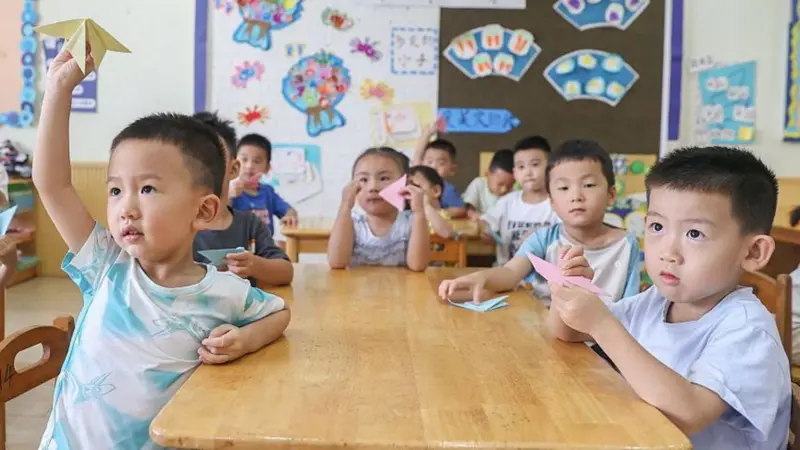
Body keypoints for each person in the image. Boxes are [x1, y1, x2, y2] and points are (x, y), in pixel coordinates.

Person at [33, 46, 290, 448]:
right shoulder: (107, 266)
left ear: (204, 210)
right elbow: (52, 184)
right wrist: (58, 90)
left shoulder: (223, 291)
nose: (126, 208)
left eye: (148, 189)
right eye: (116, 190)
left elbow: (279, 314)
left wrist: (246, 340)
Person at [549, 146, 790, 449]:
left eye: (694, 234)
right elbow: (569, 332)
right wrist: (568, 289)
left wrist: (601, 324)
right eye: (657, 227)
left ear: (753, 252)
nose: (668, 252)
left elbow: (689, 414)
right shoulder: (656, 302)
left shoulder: (748, 330)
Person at [440, 139, 640, 306]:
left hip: (604, 335)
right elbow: (511, 272)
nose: (576, 196)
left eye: (588, 185)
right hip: (547, 328)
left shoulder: (626, 244)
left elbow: (631, 306)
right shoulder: (544, 238)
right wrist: (481, 277)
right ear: (552, 202)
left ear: (611, 195)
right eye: (563, 188)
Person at [192, 112, 293, 287]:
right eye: (191, 159)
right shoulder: (175, 226)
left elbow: (286, 272)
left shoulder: (250, 224)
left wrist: (254, 265)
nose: (201, 168)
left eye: (211, 159)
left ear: (233, 169)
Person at [328, 147, 428, 270]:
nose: (373, 187)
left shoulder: (411, 221)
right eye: (364, 179)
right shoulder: (352, 222)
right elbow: (337, 262)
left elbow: (418, 265)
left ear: (406, 184)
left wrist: (419, 212)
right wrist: (345, 206)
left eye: (384, 178)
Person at [481, 136, 559, 266]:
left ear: (550, 168)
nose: (528, 172)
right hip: (506, 272)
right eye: (521, 167)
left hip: (545, 276)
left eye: (535, 164)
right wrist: (484, 230)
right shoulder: (506, 202)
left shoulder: (558, 204)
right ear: (515, 173)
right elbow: (485, 221)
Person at [230, 133, 298, 235]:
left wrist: (290, 216)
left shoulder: (267, 192)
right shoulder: (230, 191)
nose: (249, 166)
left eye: (257, 161)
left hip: (265, 244)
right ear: (234, 164)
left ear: (267, 168)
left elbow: (289, 210)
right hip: (237, 244)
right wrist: (229, 195)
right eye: (244, 160)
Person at [411, 124, 466, 218]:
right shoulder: (417, 181)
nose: (434, 167)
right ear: (422, 163)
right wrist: (426, 135)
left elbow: (460, 209)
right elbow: (417, 157)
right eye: (429, 162)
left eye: (441, 163)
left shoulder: (448, 190)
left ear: (452, 169)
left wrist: (440, 213)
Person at [463, 148, 515, 219]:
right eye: (500, 184)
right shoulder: (478, 184)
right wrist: (472, 214)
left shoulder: (513, 193)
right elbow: (467, 206)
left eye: (509, 186)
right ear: (487, 173)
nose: (504, 190)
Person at [407, 165, 454, 239]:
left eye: (416, 187)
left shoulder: (442, 214)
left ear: (436, 191)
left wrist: (426, 206)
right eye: (407, 190)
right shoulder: (408, 216)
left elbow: (446, 233)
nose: (411, 193)